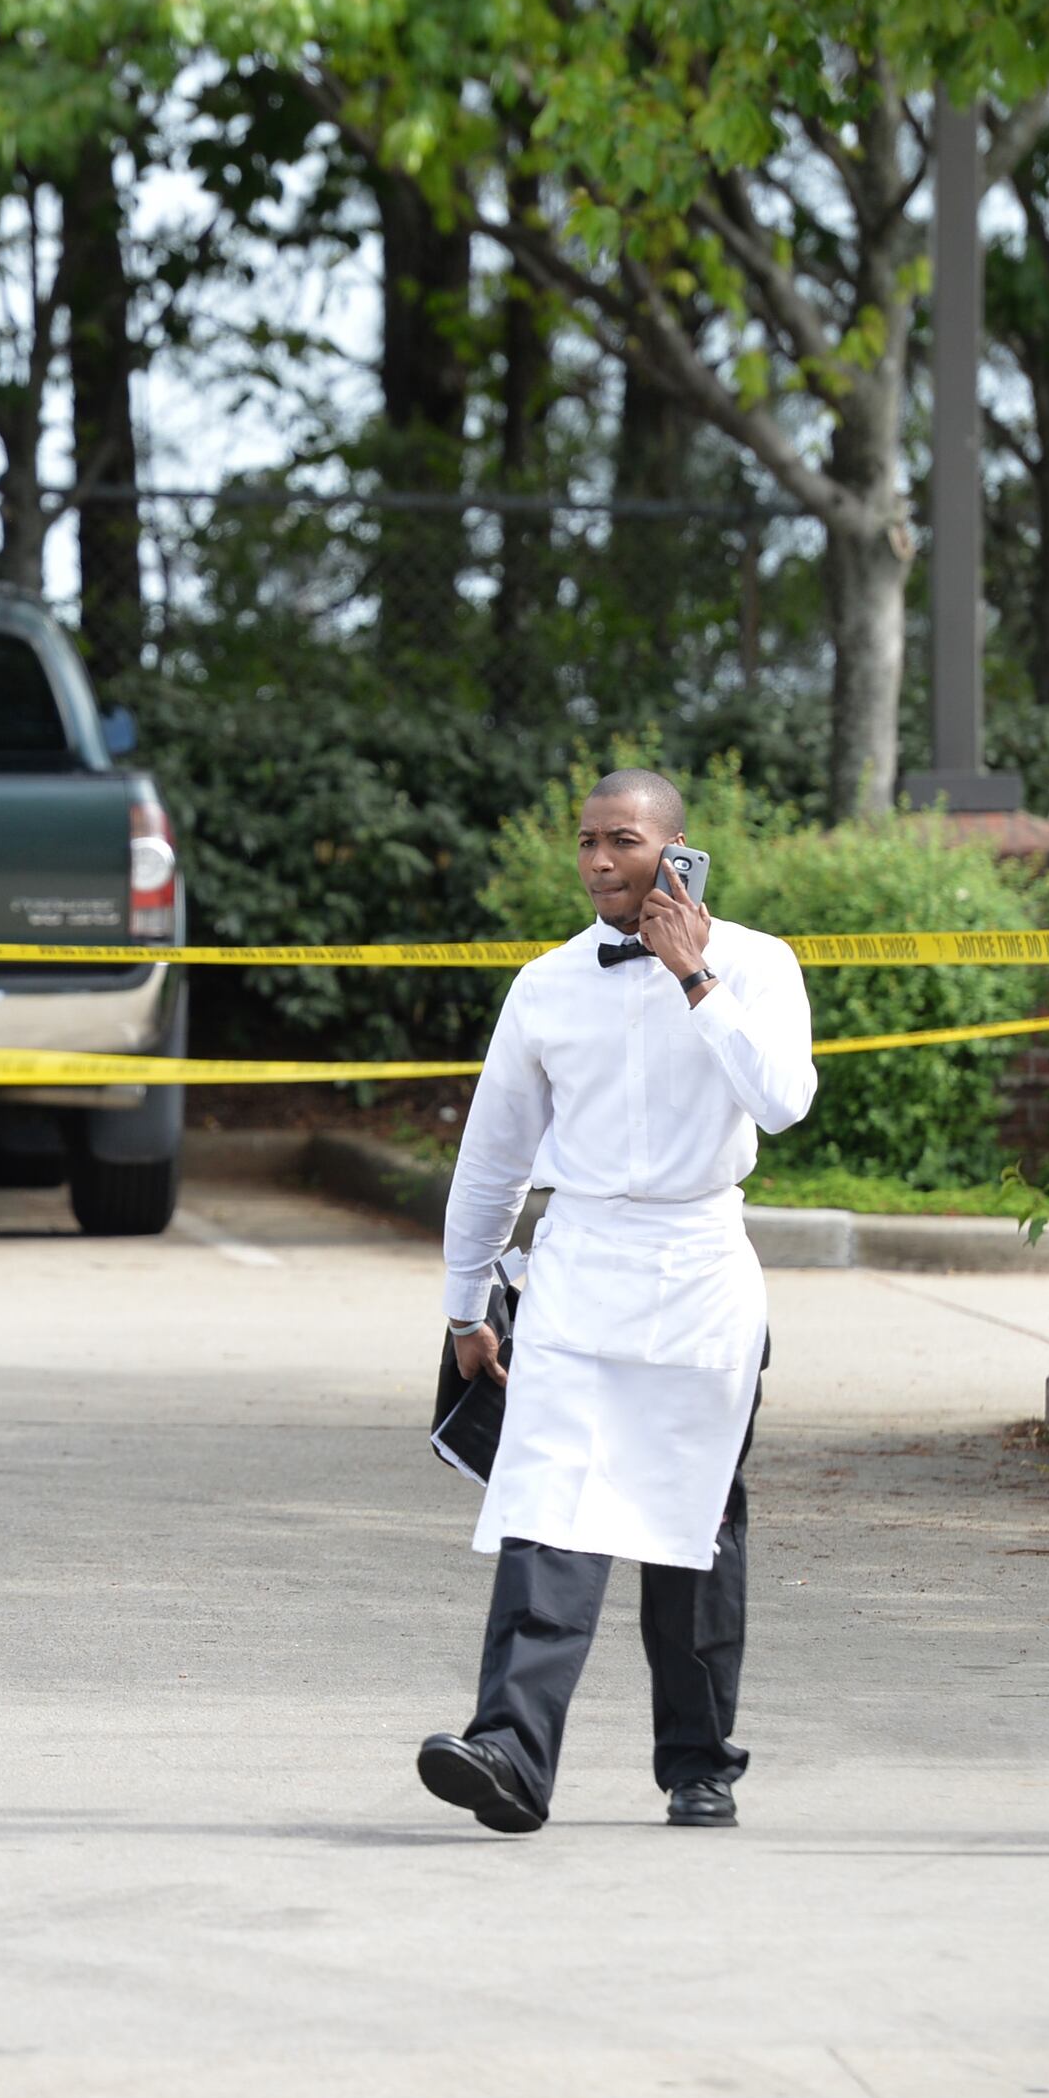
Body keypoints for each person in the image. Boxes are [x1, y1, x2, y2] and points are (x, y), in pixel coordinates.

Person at [413, 770, 818, 1834]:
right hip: (580, 1268)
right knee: (549, 1508)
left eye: (624, 841)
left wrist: (697, 981)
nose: (599, 861)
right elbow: (493, 1159)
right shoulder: (546, 985)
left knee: (694, 1525)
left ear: (678, 846)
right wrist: (467, 1310)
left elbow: (784, 1101)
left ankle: (700, 1765)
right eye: (587, 841)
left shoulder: (759, 966)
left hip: (701, 1270)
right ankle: (510, 1751)